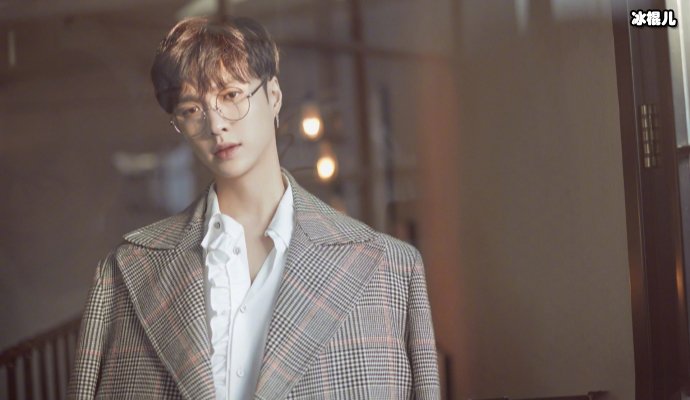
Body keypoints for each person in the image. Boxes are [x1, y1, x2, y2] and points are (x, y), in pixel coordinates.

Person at [68, 15, 440, 400]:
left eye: (231, 95)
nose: (216, 124)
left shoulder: (390, 268)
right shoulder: (125, 272)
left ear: (273, 96)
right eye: (191, 110)